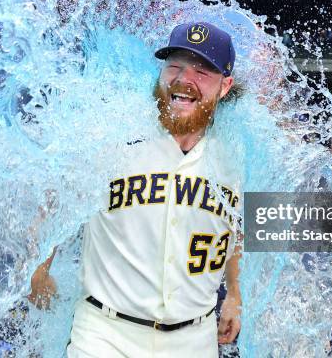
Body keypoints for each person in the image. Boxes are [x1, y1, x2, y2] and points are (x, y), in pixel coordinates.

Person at [29, 22, 243, 357]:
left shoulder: (242, 154)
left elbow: (240, 228)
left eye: (202, 71)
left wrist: (235, 294)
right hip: (105, 333)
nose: (184, 79)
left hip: (195, 339)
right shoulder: (113, 132)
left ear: (225, 86)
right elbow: (59, 197)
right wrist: (39, 269)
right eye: (175, 65)